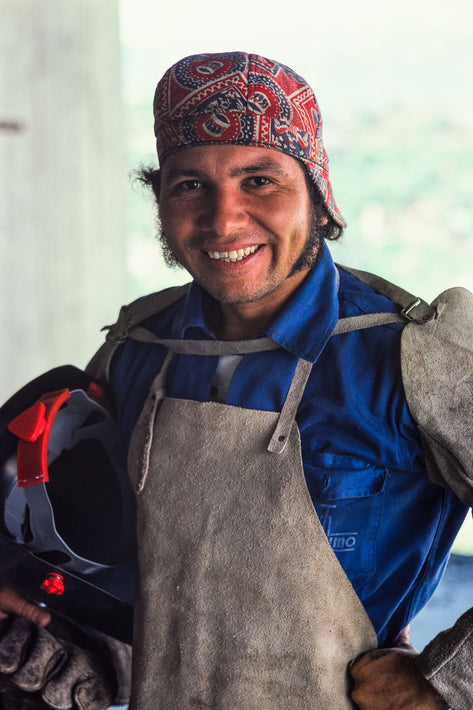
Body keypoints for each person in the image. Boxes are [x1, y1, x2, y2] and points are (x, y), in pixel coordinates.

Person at [1, 51, 472, 709]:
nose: (223, 221)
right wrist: (76, 642)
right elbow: (124, 564)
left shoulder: (410, 355)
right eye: (189, 185)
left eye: (259, 180)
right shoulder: (137, 348)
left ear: (315, 191)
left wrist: (444, 685)